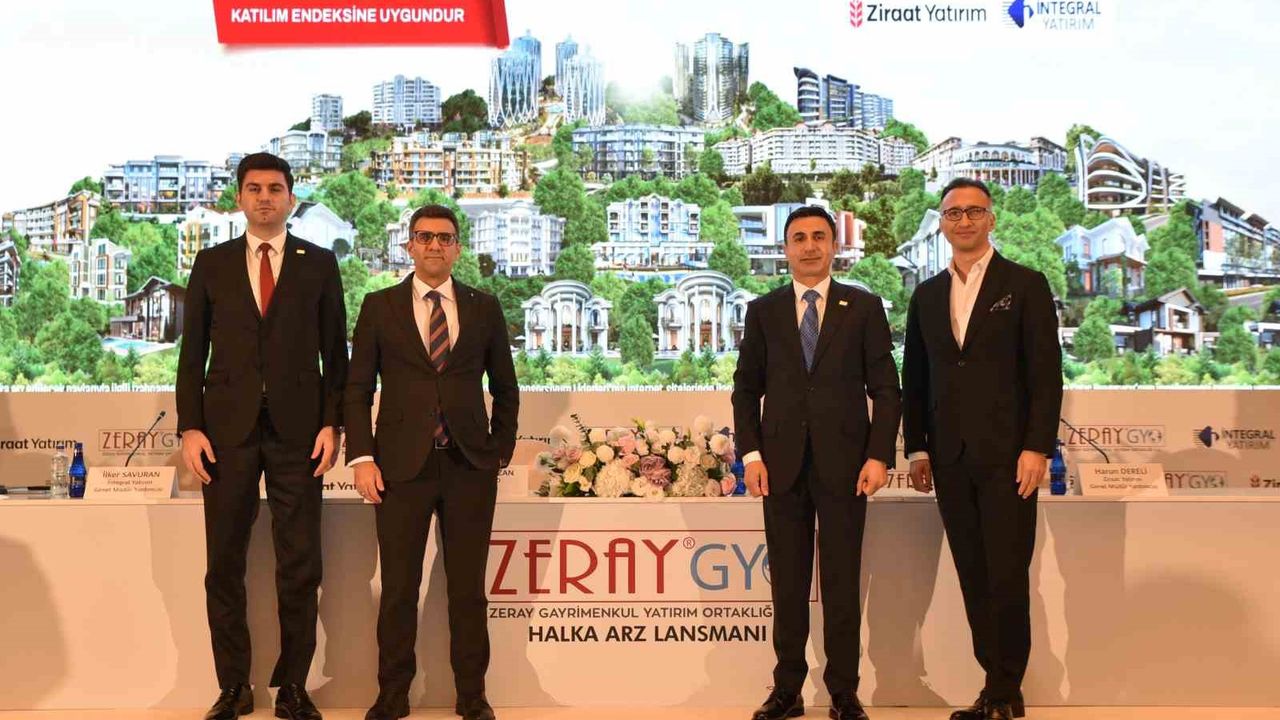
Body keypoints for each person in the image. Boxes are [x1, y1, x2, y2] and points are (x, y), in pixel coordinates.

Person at [176, 152, 347, 720]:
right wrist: (190, 426)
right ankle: (234, 687)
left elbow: (335, 354)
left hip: (301, 435)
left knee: (300, 565)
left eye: (275, 188)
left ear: (291, 198)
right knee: (223, 564)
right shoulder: (212, 262)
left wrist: (333, 423)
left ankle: (292, 687)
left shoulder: (318, 263)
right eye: (254, 188)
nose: (265, 197)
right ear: (240, 198)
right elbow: (192, 353)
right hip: (225, 433)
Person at [344, 204, 519, 720]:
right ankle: (393, 694)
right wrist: (362, 457)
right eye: (425, 237)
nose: (435, 245)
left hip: (469, 467)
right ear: (410, 246)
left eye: (445, 238)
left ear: (458, 248)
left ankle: (472, 695)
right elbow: (357, 390)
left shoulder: (484, 307)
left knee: (467, 589)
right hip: (399, 468)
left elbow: (506, 388)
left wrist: (499, 450)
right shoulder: (379, 306)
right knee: (398, 588)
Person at [902, 178, 1063, 720]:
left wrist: (1037, 446)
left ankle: (1002, 688)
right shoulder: (926, 295)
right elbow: (915, 379)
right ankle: (997, 687)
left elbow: (1046, 376)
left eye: (974, 211)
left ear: (992, 219)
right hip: (949, 458)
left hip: (1009, 458)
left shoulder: (1026, 284)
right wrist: (917, 449)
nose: (964, 220)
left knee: (1006, 574)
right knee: (973, 574)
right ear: (942, 224)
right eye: (953, 213)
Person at [732, 206, 902, 720]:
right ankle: (787, 690)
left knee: (841, 583)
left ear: (834, 246)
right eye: (799, 237)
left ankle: (843, 692)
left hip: (847, 468)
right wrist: (751, 454)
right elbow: (746, 390)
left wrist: (879, 454)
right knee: (787, 584)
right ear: (785, 248)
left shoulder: (864, 307)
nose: (809, 246)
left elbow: (886, 390)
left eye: (819, 237)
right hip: (780, 468)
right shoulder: (763, 310)